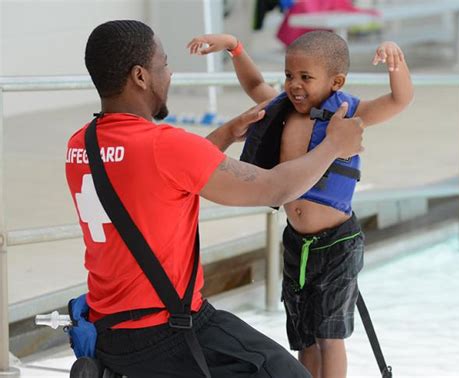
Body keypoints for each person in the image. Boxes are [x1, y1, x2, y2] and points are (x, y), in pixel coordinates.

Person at [65, 20, 364, 378]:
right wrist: (334, 145)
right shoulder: (167, 145)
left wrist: (225, 133)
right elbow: (274, 187)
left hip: (108, 335)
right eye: (163, 64)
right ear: (140, 77)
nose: (170, 72)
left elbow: (159, 177)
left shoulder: (81, 144)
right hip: (169, 330)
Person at [187, 31, 413, 378]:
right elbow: (254, 84)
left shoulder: (349, 114)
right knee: (304, 335)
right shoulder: (283, 110)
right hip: (296, 242)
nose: (294, 85)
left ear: (336, 81)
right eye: (290, 75)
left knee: (329, 334)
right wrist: (235, 47)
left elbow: (400, 100)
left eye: (306, 77)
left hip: (336, 242)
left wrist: (396, 60)